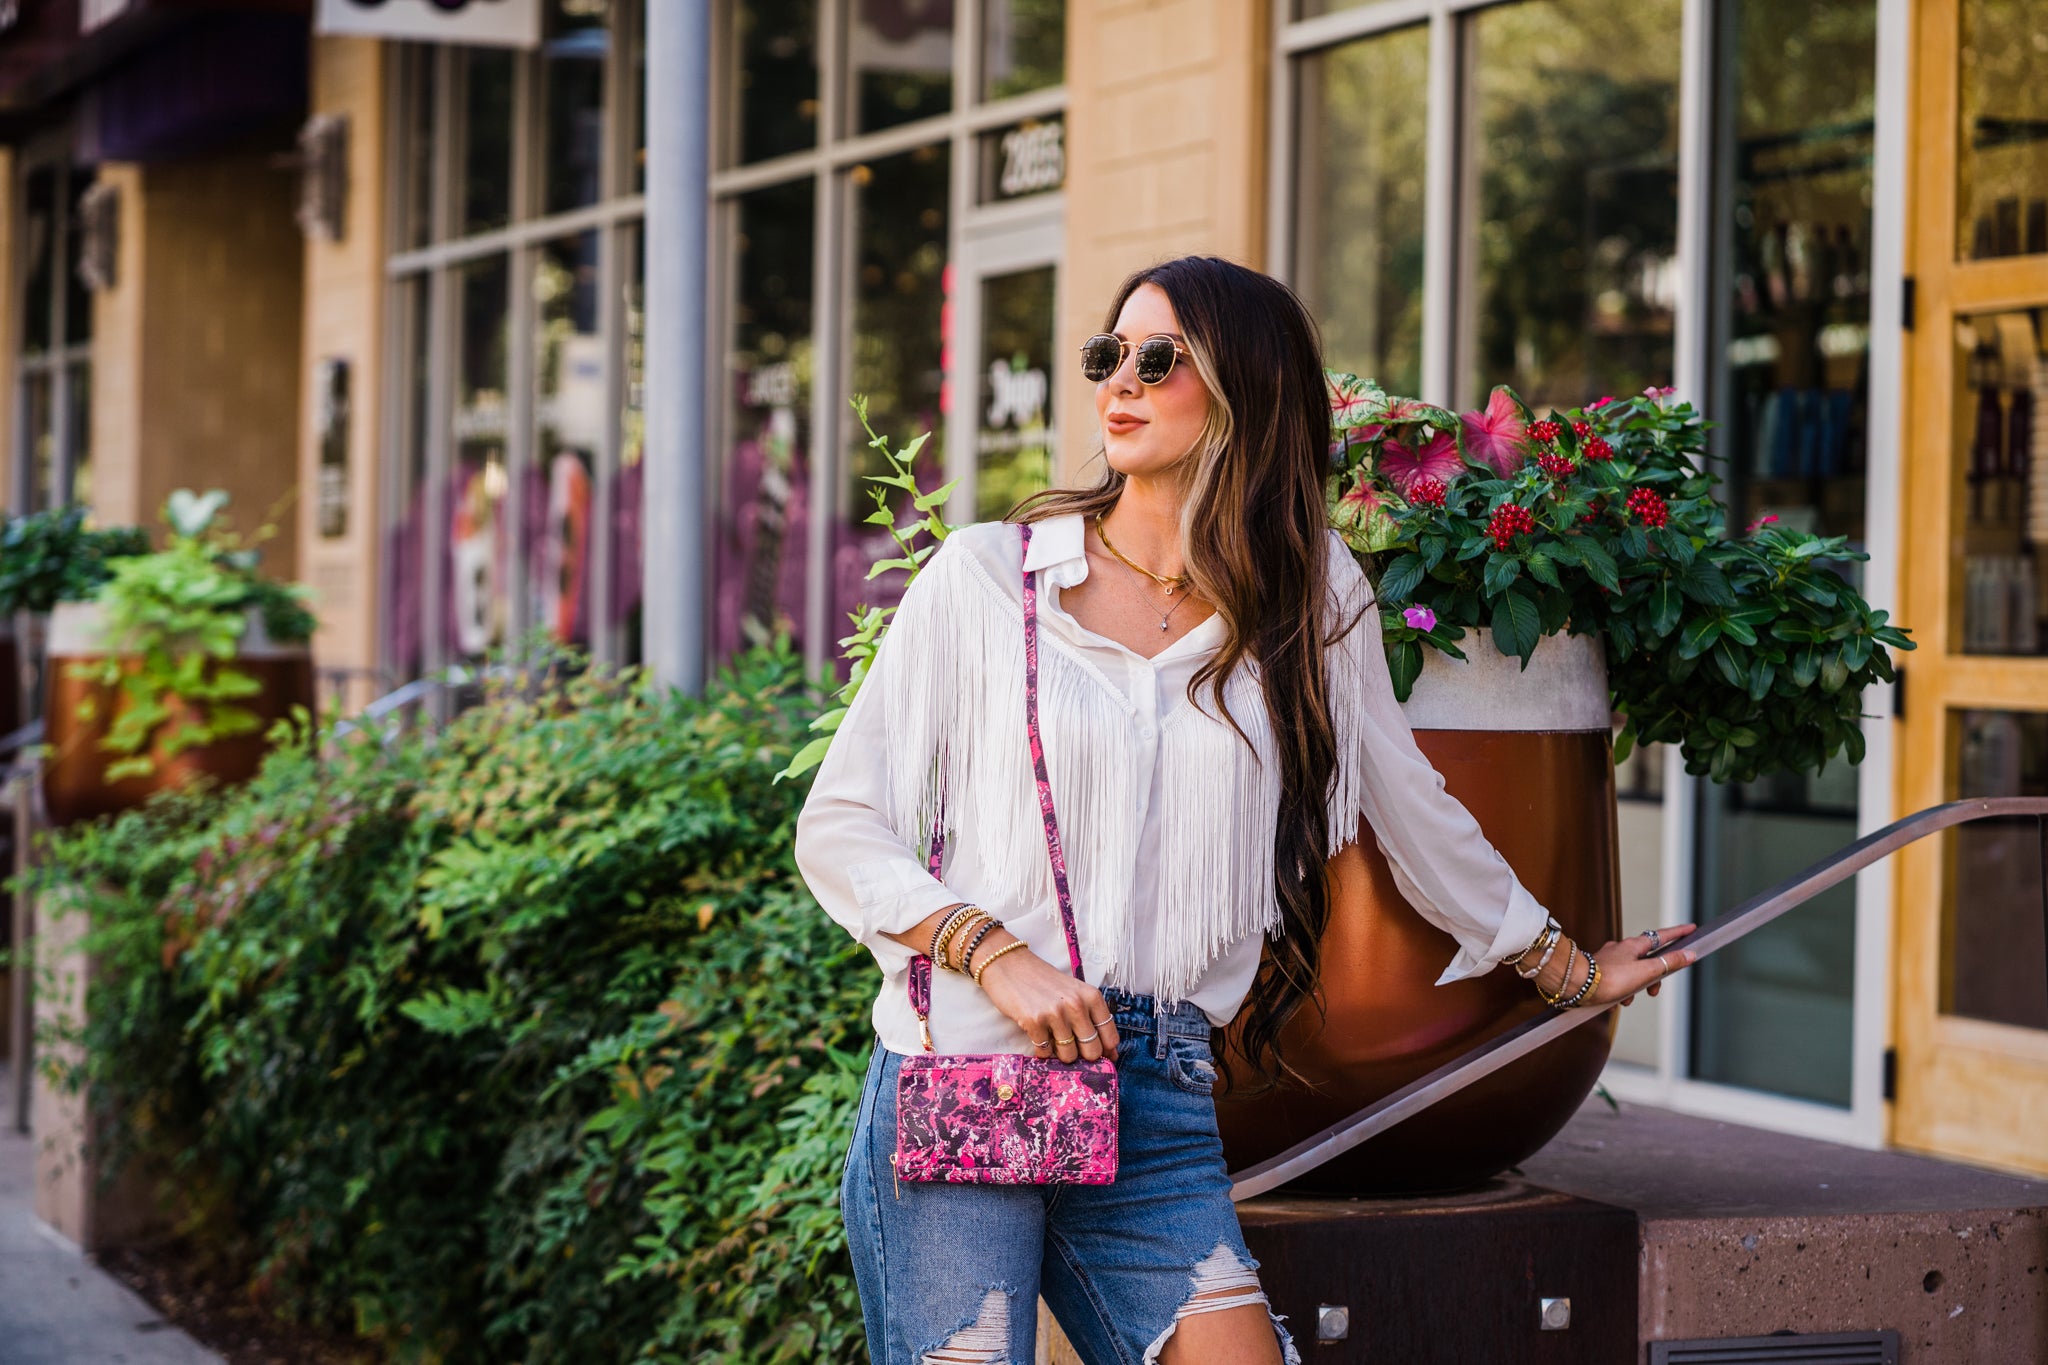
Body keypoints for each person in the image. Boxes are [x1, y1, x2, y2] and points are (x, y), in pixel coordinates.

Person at [794, 255, 1694, 1365]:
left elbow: (1408, 807)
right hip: (973, 1075)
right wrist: (988, 952)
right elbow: (838, 823)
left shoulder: (1311, 598)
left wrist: (1563, 967)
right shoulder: (991, 580)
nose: (1118, 381)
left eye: (1156, 358)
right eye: (1106, 355)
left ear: (1244, 387)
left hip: (1159, 1094)